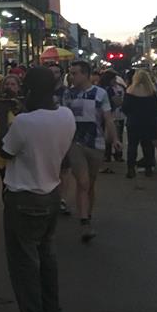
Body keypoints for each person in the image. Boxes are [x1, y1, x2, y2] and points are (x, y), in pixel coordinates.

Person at [0, 67, 76, 312]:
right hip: (51, 194)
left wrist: (4, 116)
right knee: (47, 263)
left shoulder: (24, 123)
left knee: (24, 268)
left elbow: (4, 151)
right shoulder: (66, 116)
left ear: (29, 91)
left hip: (23, 198)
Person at [61, 61, 121, 242]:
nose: (72, 77)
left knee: (90, 183)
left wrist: (115, 139)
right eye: (70, 73)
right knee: (83, 181)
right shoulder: (68, 94)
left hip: (96, 142)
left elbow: (108, 118)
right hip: (75, 142)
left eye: (75, 73)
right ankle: (84, 221)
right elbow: (64, 118)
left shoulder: (100, 93)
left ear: (86, 74)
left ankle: (87, 213)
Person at [122, 69, 157, 178]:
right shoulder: (151, 91)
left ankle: (130, 169)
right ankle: (148, 168)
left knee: (132, 145)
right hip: (149, 121)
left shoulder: (130, 90)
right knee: (148, 145)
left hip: (134, 121)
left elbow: (125, 107)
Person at [0, 75, 22, 180]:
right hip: (1, 144)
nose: (9, 87)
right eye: (6, 84)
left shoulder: (21, 103)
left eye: (12, 84)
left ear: (18, 87)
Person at [99, 70, 125, 167]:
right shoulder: (109, 89)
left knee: (107, 135)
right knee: (116, 135)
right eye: (113, 78)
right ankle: (117, 154)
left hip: (105, 115)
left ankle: (107, 154)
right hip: (113, 114)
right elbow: (117, 102)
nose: (115, 80)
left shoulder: (101, 88)